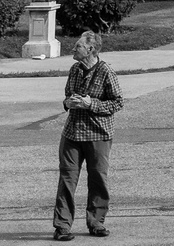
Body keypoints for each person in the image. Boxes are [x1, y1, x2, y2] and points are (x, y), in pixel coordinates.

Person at [53, 31, 123, 241]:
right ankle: (62, 226)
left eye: (78, 46)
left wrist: (90, 103)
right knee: (67, 179)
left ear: (90, 49)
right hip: (72, 134)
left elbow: (118, 102)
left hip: (98, 135)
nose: (73, 49)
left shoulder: (106, 71)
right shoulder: (75, 69)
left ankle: (96, 222)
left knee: (97, 179)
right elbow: (67, 95)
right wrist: (68, 103)